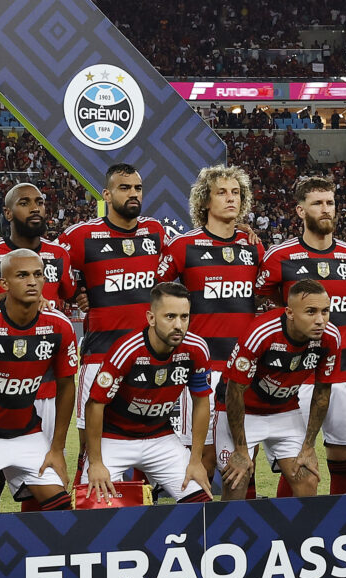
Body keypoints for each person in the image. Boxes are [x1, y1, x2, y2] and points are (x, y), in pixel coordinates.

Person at [256, 176, 346, 497]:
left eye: (329, 202)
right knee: (298, 462)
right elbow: (266, 303)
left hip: (343, 374)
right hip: (295, 378)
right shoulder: (279, 257)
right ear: (300, 211)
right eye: (317, 203)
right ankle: (291, 532)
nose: (325, 209)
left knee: (344, 457)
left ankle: (340, 528)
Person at [0, 183, 76, 512]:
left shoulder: (59, 254)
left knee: (42, 488)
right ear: (7, 213)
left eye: (40, 202)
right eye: (25, 203)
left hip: (43, 388)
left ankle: (32, 554)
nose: (35, 208)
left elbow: (73, 294)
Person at [158, 165, 263, 494]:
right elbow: (152, 294)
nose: (231, 199)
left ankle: (242, 533)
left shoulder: (252, 247)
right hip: (200, 369)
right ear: (205, 201)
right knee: (198, 458)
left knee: (245, 460)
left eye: (236, 193)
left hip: (243, 371)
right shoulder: (183, 246)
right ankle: (193, 534)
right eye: (222, 192)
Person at [57, 164, 165, 479]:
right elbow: (50, 263)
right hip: (100, 355)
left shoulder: (155, 232)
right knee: (91, 450)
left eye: (137, 188)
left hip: (148, 357)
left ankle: (146, 513)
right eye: (124, 188)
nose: (133, 194)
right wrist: (77, 290)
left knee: (148, 446)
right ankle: (88, 516)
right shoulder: (81, 235)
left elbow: (176, 270)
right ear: (106, 194)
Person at [80, 282, 213, 504]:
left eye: (184, 317)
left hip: (160, 437)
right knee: (95, 508)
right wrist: (96, 463)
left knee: (201, 504)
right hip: (114, 438)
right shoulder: (127, 350)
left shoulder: (197, 348)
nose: (179, 325)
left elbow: (201, 402)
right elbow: (94, 405)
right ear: (151, 318)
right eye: (170, 317)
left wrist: (196, 460)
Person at [215, 280, 342, 499]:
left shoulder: (331, 338)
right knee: (237, 479)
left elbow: (322, 393)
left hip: (284, 411)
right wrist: (241, 450)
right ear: (290, 313)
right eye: (311, 312)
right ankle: (226, 533)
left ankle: (303, 533)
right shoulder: (261, 333)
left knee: (308, 478)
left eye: (325, 311)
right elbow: (234, 392)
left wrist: (309, 446)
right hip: (242, 410)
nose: (320, 320)